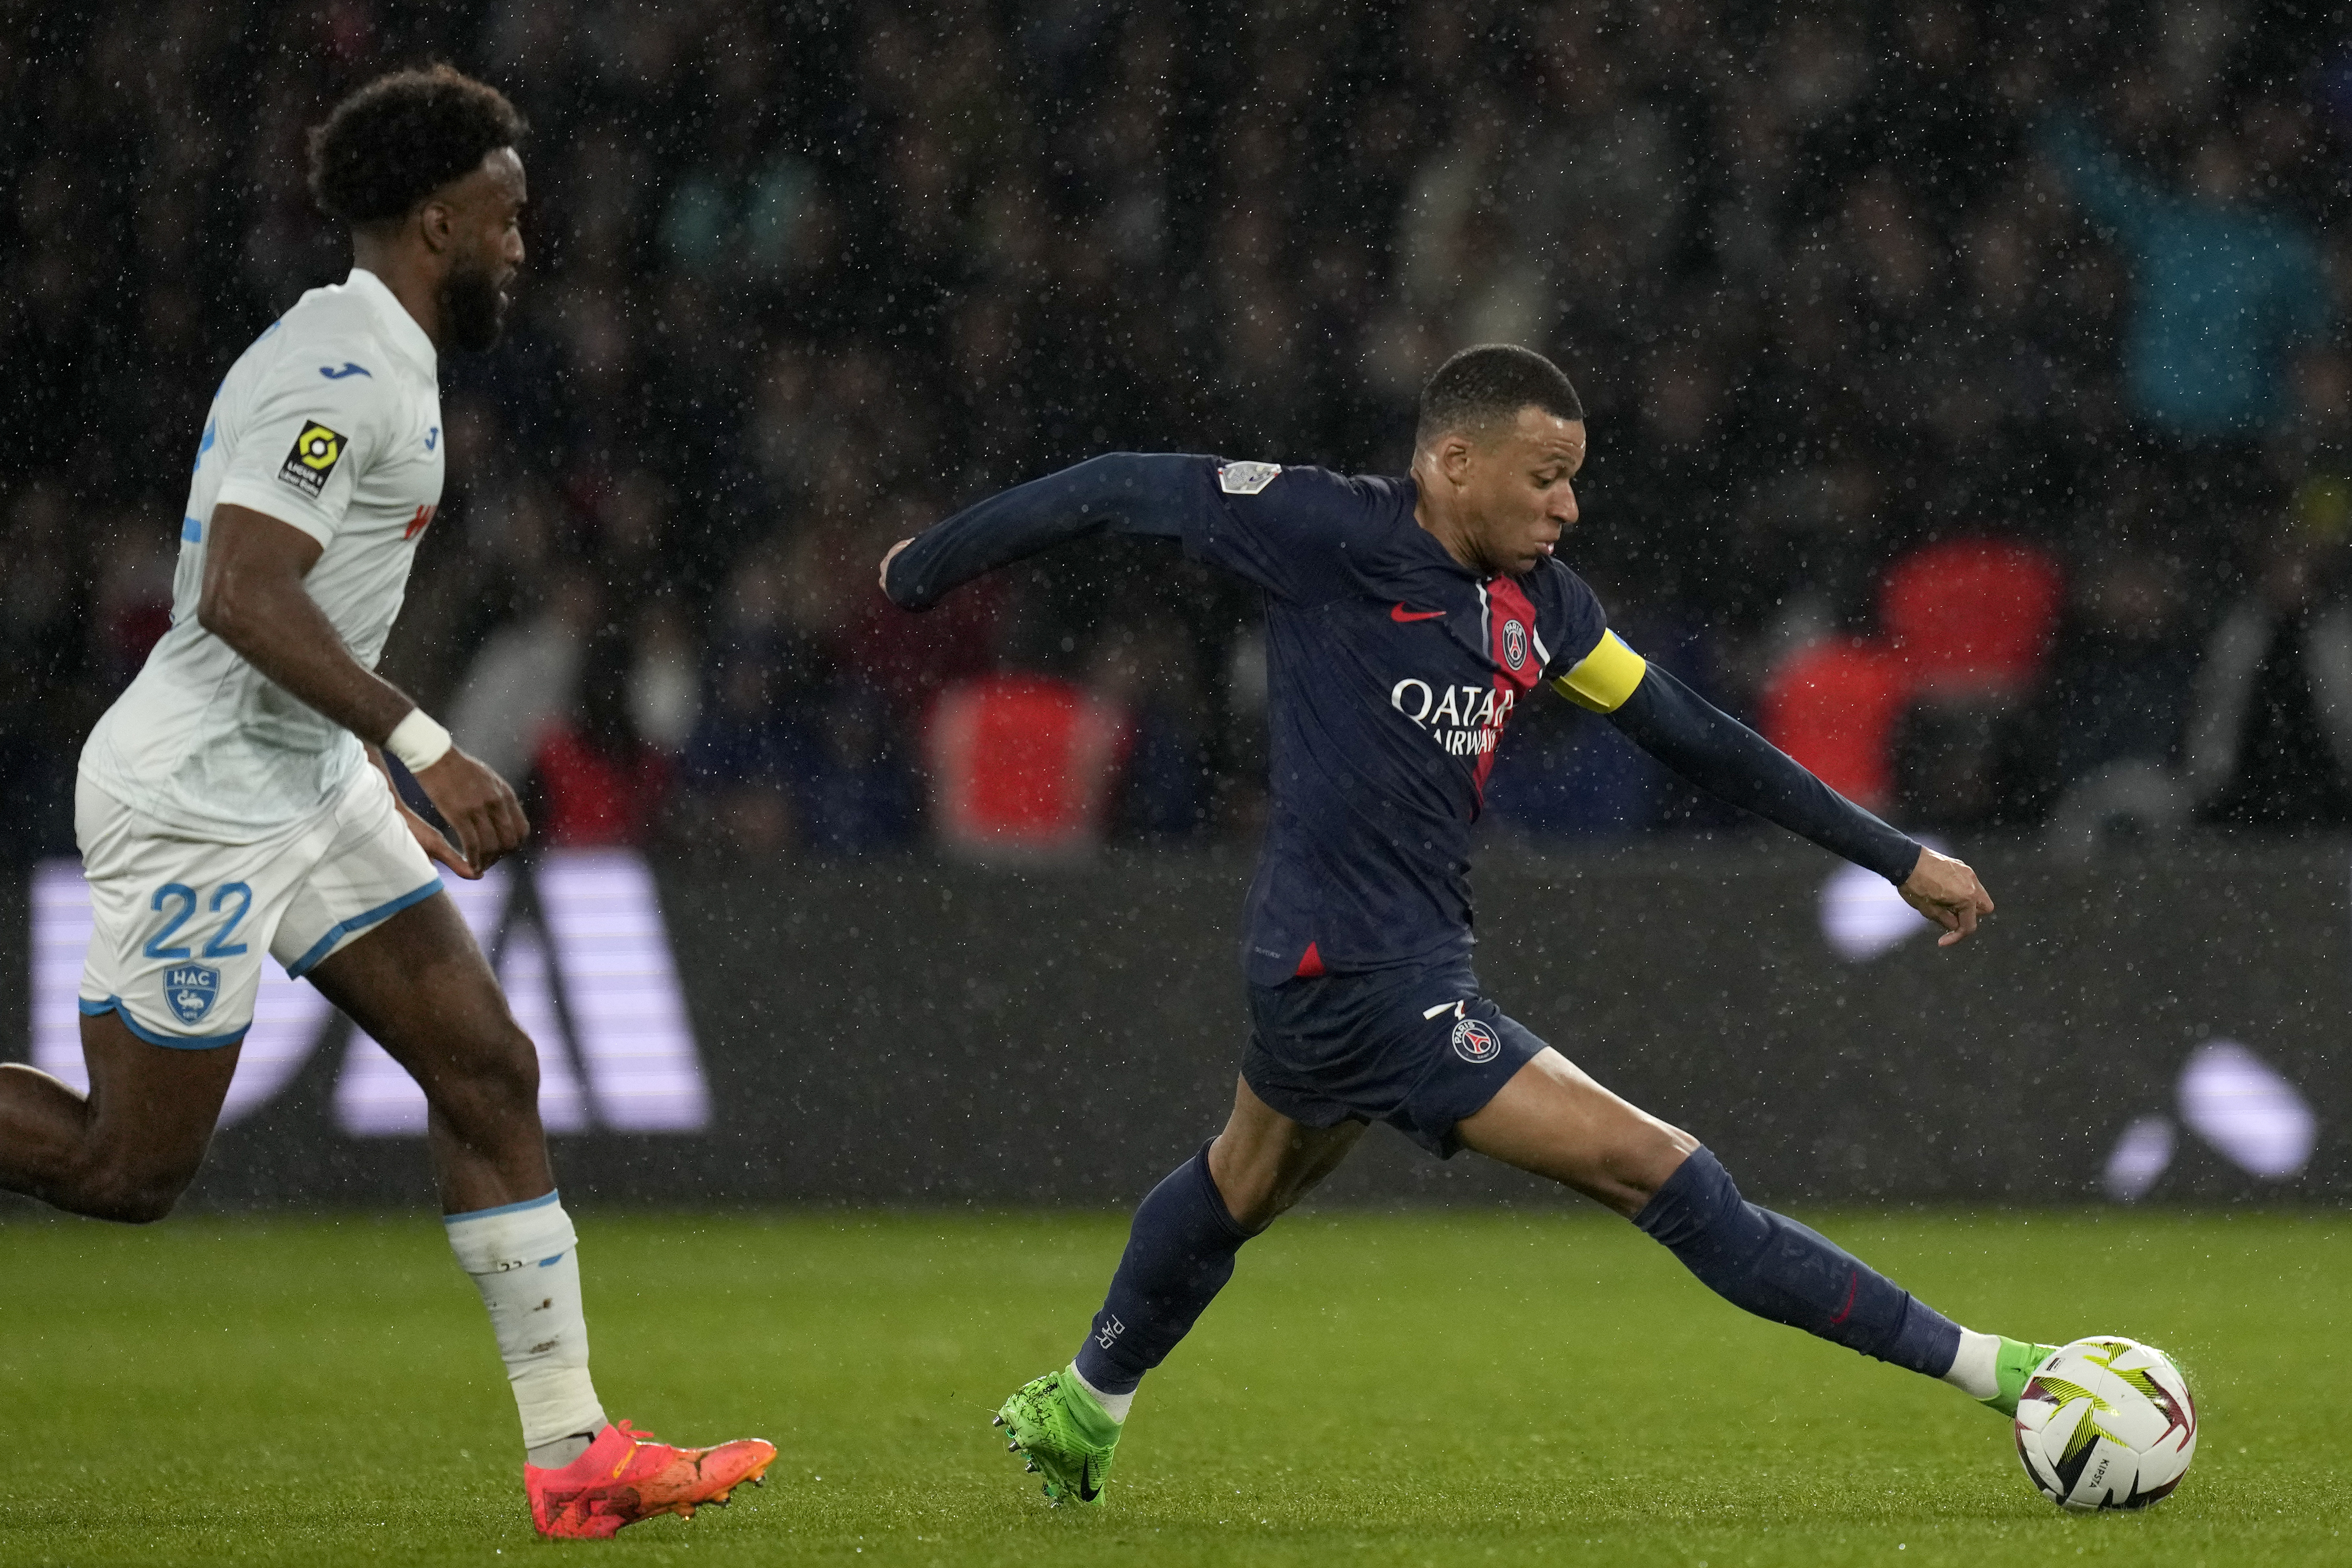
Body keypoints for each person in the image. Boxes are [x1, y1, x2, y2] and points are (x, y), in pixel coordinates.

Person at [880, 344, 2062, 1508]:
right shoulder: (1327, 530)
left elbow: (1688, 729)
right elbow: (1124, 483)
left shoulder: (1539, 609)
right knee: (1668, 1174)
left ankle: (1084, 1403)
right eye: (1544, 474)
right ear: (1453, 460)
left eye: (1573, 475)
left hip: (1347, 963)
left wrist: (1894, 854)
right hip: (1363, 976)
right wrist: (923, 570)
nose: (1568, 503)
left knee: (1242, 1178)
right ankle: (1998, 1371)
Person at [1, 66, 771, 1539]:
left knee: (487, 1066)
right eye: (507, 218)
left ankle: (571, 1451)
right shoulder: (339, 369)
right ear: (438, 220)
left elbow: (299, 615)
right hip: (201, 805)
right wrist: (425, 741)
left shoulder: (388, 360)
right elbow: (240, 593)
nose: (523, 246)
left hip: (300, 781)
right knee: (125, 1167)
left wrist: (359, 772)